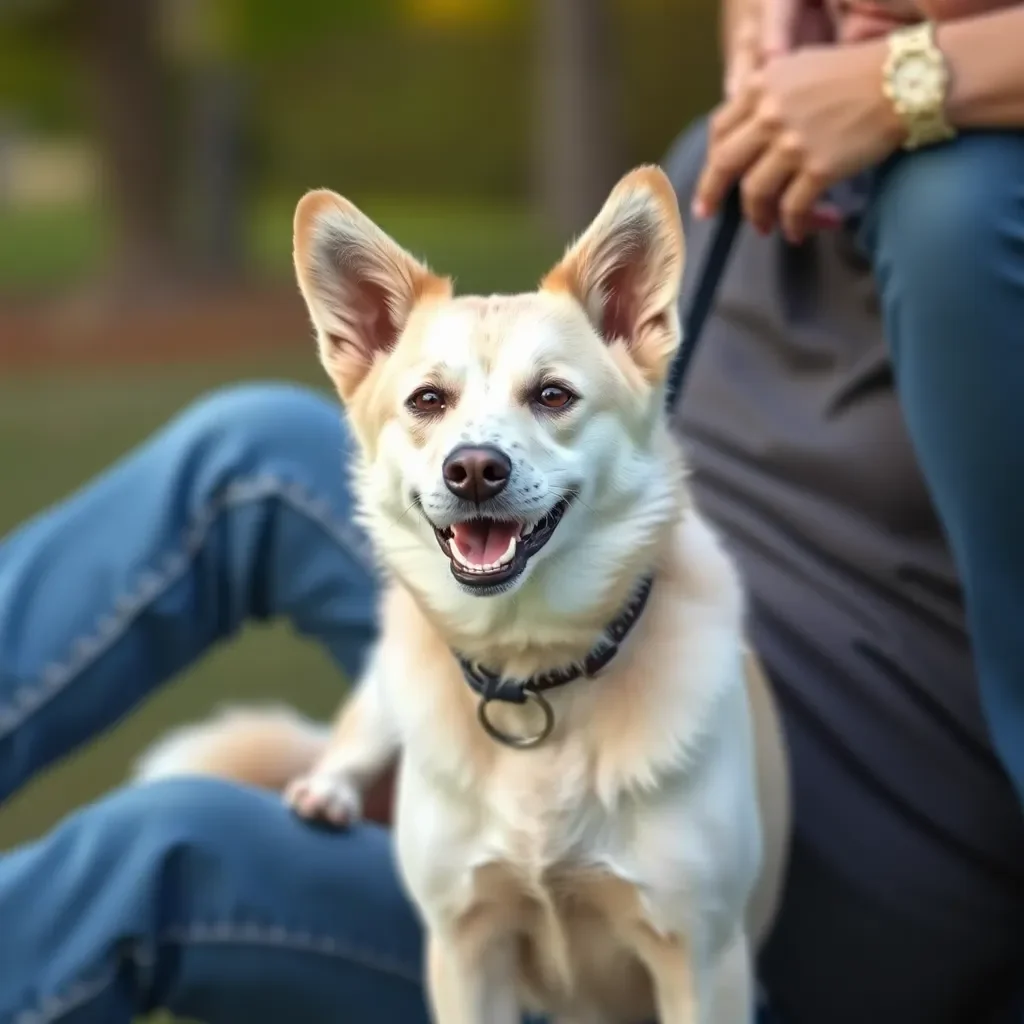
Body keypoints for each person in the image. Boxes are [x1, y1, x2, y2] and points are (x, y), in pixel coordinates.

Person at [1, 3, 1023, 1021]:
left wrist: (916, 82)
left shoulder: (969, 209)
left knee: (161, 853)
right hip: (577, 623)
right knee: (251, 453)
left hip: (801, 843)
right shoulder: (755, 130)